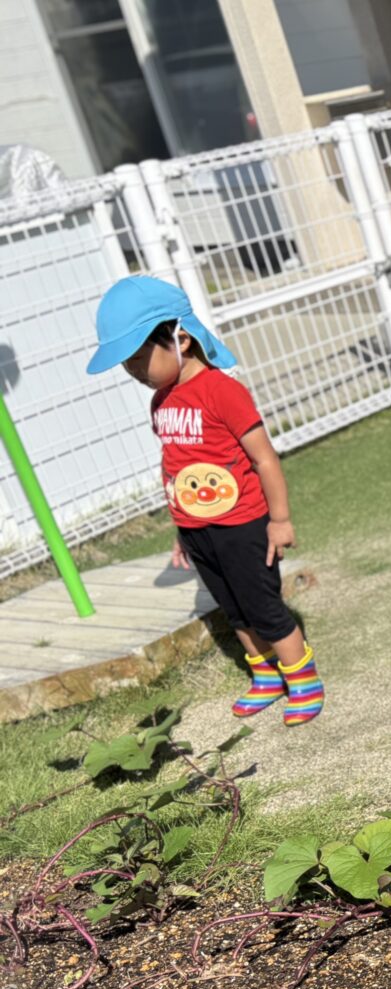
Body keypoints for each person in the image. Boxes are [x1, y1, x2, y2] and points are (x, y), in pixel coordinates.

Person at [86, 275, 322, 725]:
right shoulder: (161, 402)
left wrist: (280, 519)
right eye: (127, 365)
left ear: (181, 339)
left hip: (243, 525)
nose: (133, 371)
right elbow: (177, 468)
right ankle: (265, 676)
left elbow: (265, 459)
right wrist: (182, 529)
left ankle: (303, 679)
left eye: (138, 358)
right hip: (198, 530)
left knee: (263, 606)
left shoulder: (223, 391)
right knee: (234, 608)